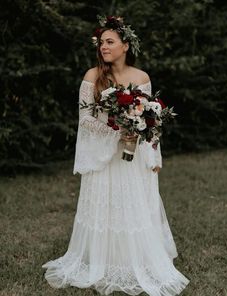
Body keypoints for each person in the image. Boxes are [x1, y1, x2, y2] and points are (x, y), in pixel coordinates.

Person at [42, 16, 190, 296]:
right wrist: (115, 130)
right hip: (104, 153)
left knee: (132, 203)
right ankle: (103, 260)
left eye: (110, 42)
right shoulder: (92, 76)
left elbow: (151, 119)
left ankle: (130, 259)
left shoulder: (142, 77)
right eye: (101, 43)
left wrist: (153, 155)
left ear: (125, 45)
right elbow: (85, 119)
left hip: (132, 155)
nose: (103, 48)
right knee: (105, 204)